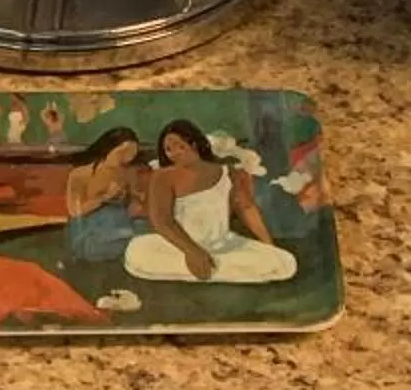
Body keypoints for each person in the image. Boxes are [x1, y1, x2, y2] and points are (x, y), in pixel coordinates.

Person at [125, 120, 297, 285]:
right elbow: (162, 220)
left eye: (180, 146)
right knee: (138, 254)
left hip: (222, 246)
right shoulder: (162, 177)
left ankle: (215, 265)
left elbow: (246, 208)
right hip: (177, 247)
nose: (174, 153)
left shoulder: (227, 173)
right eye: (168, 149)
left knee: (284, 262)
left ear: (195, 144)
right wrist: (192, 252)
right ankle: (209, 266)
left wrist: (269, 246)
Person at [62, 126, 145, 267]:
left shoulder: (130, 173)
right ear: (108, 148)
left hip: (122, 223)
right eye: (122, 153)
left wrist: (136, 202)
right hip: (91, 229)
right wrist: (105, 198)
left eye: (132, 154)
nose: (127, 159)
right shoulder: (80, 174)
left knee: (144, 229)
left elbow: (135, 203)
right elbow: (75, 211)